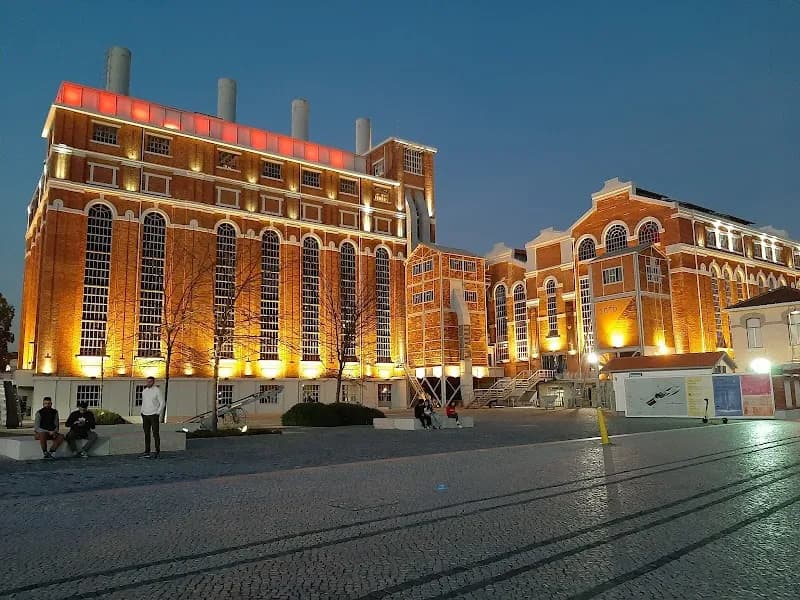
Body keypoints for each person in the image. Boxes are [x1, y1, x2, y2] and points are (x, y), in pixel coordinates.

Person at [140, 376, 164, 459]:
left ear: (153, 382)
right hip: (145, 415)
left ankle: (157, 451)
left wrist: (158, 412)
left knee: (155, 433)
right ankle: (147, 451)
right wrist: (142, 411)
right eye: (147, 381)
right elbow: (144, 402)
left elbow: (162, 402)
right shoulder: (144, 391)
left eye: (150, 381)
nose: (148, 383)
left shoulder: (157, 390)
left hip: (154, 415)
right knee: (146, 434)